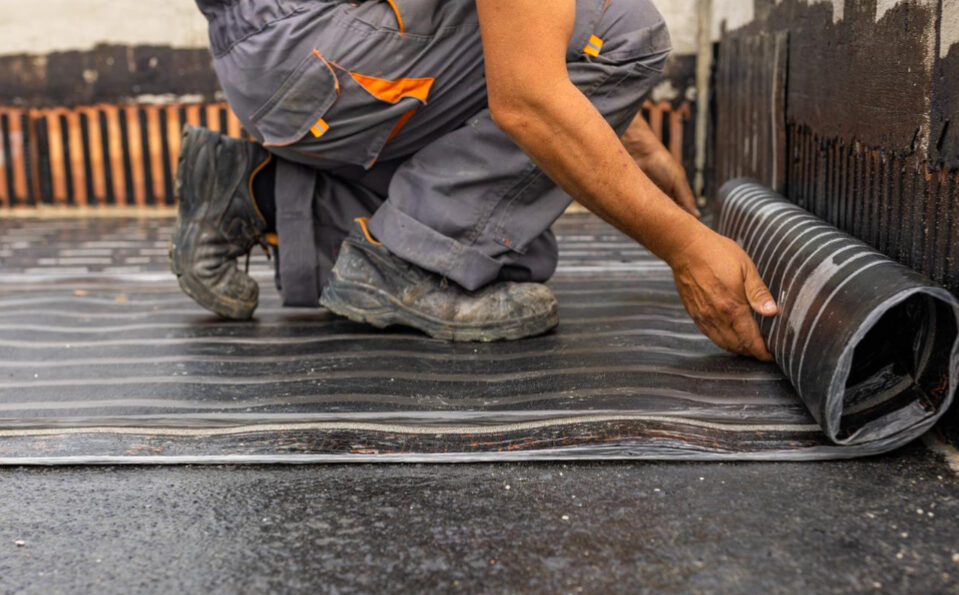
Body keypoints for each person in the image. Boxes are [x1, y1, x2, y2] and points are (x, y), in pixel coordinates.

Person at [173, 0, 777, 358]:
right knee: (625, 29)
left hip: (278, 56)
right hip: (317, 52)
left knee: (503, 245)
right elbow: (528, 98)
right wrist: (686, 247)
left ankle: (255, 193)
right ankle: (403, 263)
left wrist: (624, 130)